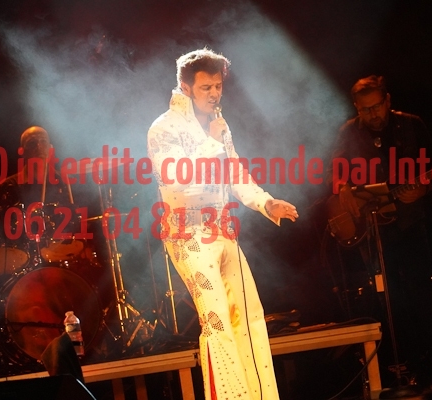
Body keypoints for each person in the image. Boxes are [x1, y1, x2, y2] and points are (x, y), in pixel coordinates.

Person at [147, 48, 298, 400]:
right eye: (206, 88)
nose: (214, 94)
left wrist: (266, 202)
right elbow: (176, 181)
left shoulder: (219, 125)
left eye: (218, 86)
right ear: (185, 88)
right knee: (217, 321)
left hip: (223, 230)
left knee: (250, 316)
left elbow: (235, 173)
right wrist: (211, 142)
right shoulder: (163, 128)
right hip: (187, 234)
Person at [326, 75, 432, 389]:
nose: (372, 115)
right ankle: (408, 363)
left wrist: (424, 188)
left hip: (409, 222)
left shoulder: (411, 125)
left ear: (388, 101)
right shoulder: (348, 132)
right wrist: (342, 187)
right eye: (365, 110)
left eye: (376, 107)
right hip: (372, 229)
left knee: (420, 291)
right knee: (388, 298)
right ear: (356, 107)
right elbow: (336, 170)